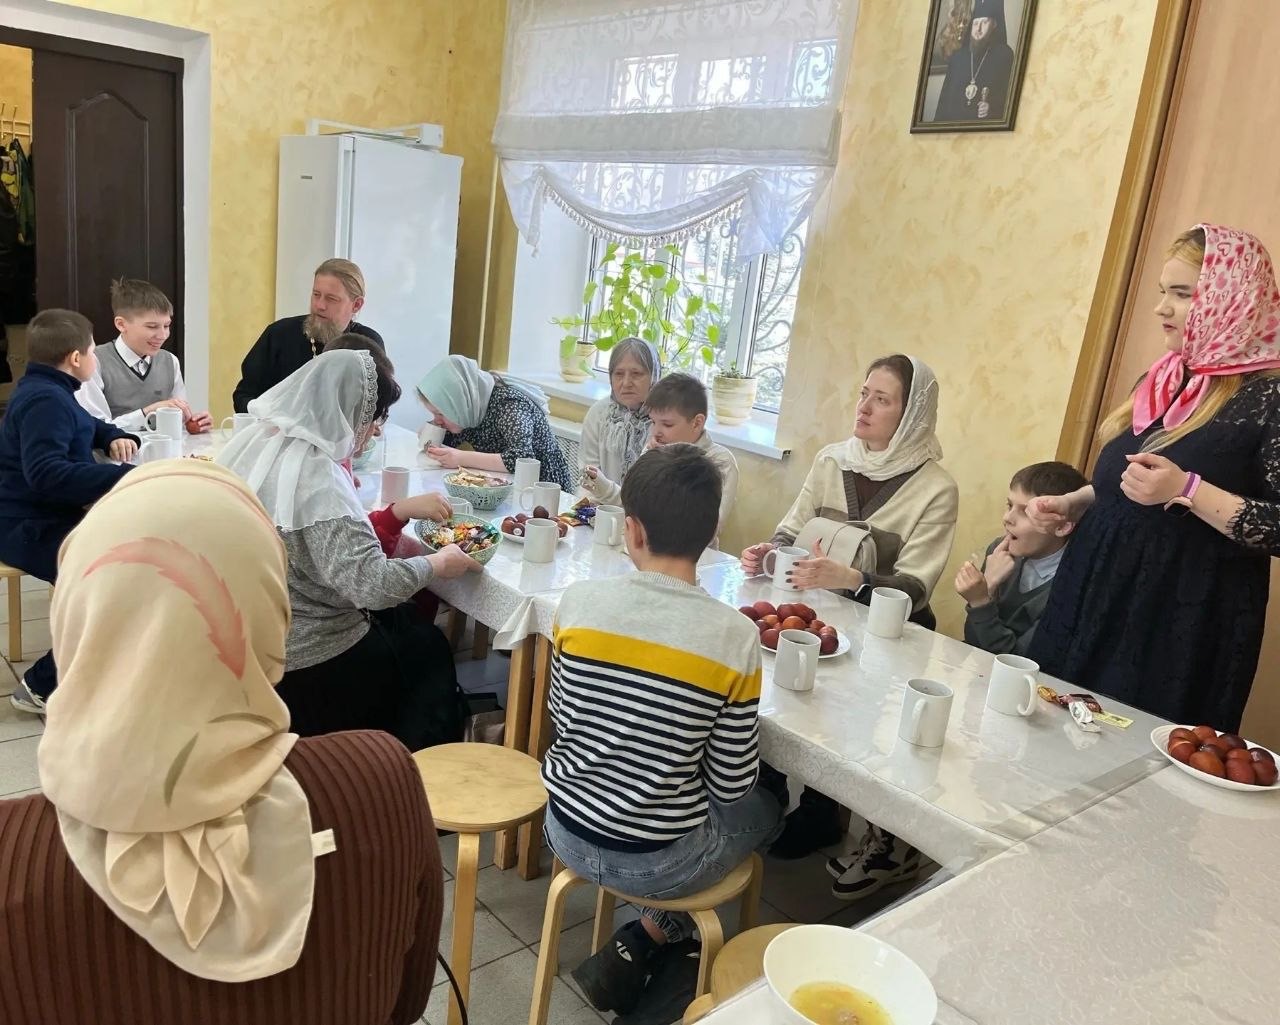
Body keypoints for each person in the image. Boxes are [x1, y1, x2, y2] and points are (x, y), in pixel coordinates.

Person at [0, 458, 444, 1024]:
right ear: (273, 614)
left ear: (73, 617)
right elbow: (406, 1002)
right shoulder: (380, 778)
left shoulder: (13, 856)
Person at [543, 444, 784, 1017]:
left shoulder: (577, 603)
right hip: (658, 863)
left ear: (632, 530)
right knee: (768, 809)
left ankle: (647, 937)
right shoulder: (733, 636)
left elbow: (563, 718)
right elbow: (729, 786)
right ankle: (657, 933)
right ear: (711, 533)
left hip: (564, 828)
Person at [1028, 224, 1280, 732]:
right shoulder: (1163, 378)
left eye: (1182, 294)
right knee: (1052, 732)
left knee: (1126, 758)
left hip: (1174, 615)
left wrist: (1189, 490)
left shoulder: (1269, 397)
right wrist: (1079, 501)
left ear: (1231, 299)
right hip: (1094, 591)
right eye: (1164, 292)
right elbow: (1132, 477)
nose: (1162, 308)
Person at [742, 354, 958, 882]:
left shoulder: (936, 488)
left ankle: (823, 813)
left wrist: (854, 578)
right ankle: (766, 791)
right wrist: (769, 550)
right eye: (864, 393)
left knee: (846, 726)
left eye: (882, 400)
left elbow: (916, 586)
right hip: (816, 614)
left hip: (887, 632)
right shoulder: (832, 461)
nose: (863, 407)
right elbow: (793, 530)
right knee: (783, 701)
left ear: (911, 415)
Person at [218, 349, 480, 749]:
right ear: (350, 413)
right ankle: (412, 759)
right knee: (428, 648)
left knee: (410, 625)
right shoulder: (319, 480)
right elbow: (371, 587)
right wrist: (436, 563)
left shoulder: (262, 445)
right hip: (310, 657)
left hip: (252, 636)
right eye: (375, 419)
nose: (375, 432)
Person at [0, 309, 138, 713]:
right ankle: (41, 687)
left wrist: (113, 436)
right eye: (92, 351)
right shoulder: (45, 401)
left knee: (132, 560)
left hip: (43, 517)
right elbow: (46, 474)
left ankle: (101, 666)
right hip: (26, 526)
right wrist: (126, 476)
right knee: (115, 584)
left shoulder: (50, 389)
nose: (95, 358)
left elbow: (87, 424)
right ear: (75, 358)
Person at [955, 461, 1088, 657]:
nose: (1007, 518)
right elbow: (974, 643)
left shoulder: (1072, 583)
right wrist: (987, 587)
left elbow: (1018, 661)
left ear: (1062, 526)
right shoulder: (999, 552)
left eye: (1026, 512)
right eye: (1009, 505)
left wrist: (980, 600)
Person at [587, 371, 739, 540]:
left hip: (692, 554)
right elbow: (633, 505)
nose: (656, 432)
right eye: (653, 422)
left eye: (667, 424)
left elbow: (707, 530)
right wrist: (602, 486)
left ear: (697, 423)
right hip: (645, 547)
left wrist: (671, 465)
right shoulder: (655, 448)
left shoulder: (720, 461)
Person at [232, 258, 383, 412]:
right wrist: (271, 416)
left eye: (331, 299)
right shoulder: (279, 334)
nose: (319, 305)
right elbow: (244, 396)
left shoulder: (368, 345)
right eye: (316, 295)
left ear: (356, 305)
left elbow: (377, 407)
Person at [417, 354, 575, 491]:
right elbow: (449, 443)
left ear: (458, 403)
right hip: (506, 485)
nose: (437, 420)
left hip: (544, 490)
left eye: (440, 413)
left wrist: (461, 458)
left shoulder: (509, 404)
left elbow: (521, 459)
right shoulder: (469, 410)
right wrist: (432, 434)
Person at [75, 278, 212, 433]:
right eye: (152, 326)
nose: (163, 335)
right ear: (121, 324)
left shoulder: (170, 361)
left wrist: (192, 424)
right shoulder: (94, 361)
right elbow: (94, 427)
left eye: (167, 325)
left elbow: (177, 420)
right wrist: (147, 412)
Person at [580, 337, 660, 498]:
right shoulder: (599, 413)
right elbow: (589, 477)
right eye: (618, 374)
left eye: (636, 374)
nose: (626, 383)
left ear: (653, 377)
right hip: (598, 505)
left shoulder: (664, 421)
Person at [933, 0, 1015, 123]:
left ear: (994, 24)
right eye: (976, 23)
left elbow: (1010, 99)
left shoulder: (1004, 56)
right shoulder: (958, 57)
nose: (979, 29)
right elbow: (943, 102)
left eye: (984, 22)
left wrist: (992, 110)